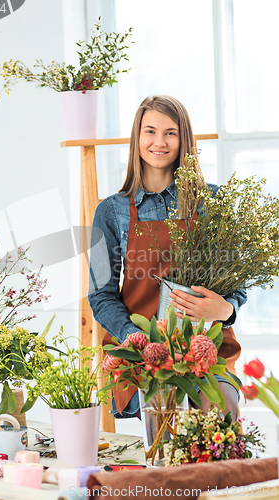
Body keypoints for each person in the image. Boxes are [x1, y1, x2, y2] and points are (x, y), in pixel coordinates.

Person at [88, 95, 247, 421]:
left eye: (170, 133)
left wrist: (225, 309)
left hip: (206, 348)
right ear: (137, 138)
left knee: (218, 409)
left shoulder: (213, 202)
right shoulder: (109, 211)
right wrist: (138, 339)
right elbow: (100, 295)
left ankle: (216, 472)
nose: (159, 142)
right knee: (162, 405)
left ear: (183, 139)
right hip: (139, 351)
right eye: (150, 131)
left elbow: (238, 285)